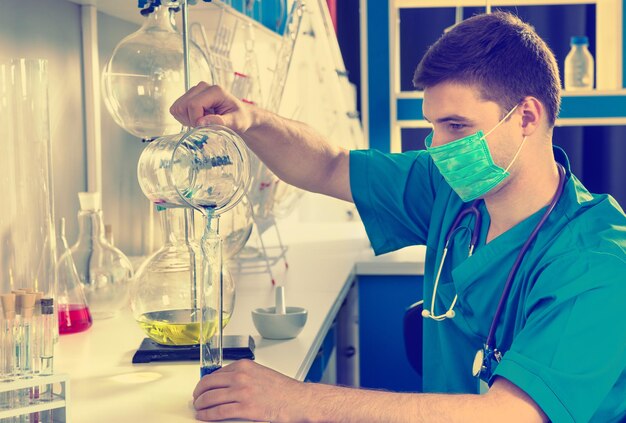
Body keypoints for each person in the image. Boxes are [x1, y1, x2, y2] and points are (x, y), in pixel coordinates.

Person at [171, 12, 626, 423]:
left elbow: (509, 414)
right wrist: (250, 120)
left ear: (526, 115)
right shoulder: (450, 189)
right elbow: (330, 165)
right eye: (432, 126)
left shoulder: (598, 260)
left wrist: (297, 400)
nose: (438, 146)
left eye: (456, 126)